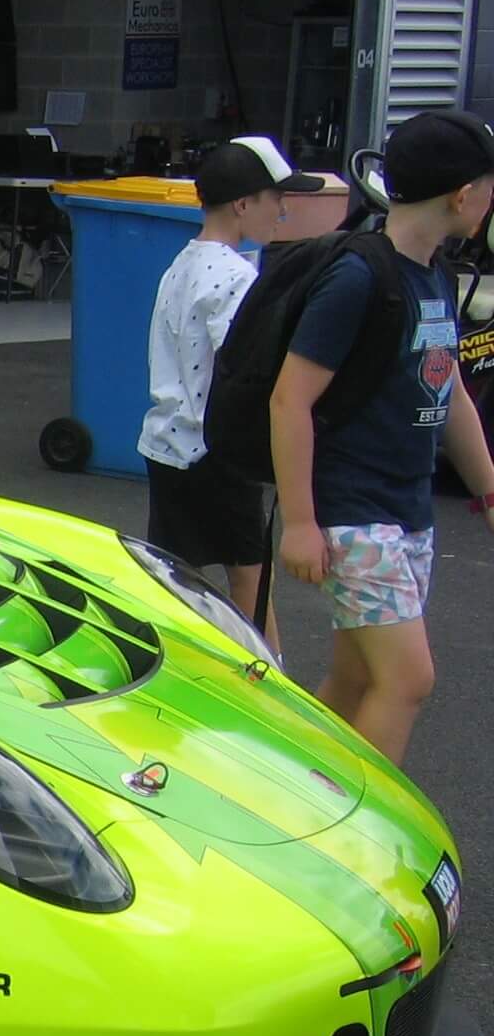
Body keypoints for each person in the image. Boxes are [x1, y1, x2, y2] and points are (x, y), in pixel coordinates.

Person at [272, 110, 494, 765]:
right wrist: (301, 522)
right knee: (405, 679)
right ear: (461, 195)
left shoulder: (434, 276)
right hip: (353, 510)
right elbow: (290, 399)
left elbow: (447, 391)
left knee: (357, 679)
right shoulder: (359, 277)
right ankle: (354, 840)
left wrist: (487, 490)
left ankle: (287, 795)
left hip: (407, 512)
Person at [137, 138, 323, 651]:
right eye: (274, 199)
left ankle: (175, 675)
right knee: (250, 582)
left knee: (174, 582)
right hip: (217, 453)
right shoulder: (237, 276)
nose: (282, 212)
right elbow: (249, 368)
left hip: (166, 444)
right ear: (243, 204)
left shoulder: (182, 263)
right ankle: (272, 685)